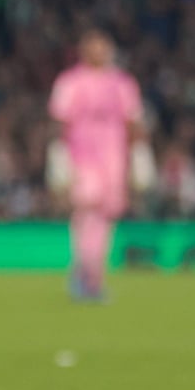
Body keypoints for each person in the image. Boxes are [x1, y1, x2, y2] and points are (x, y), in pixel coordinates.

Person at [48, 28, 148, 301]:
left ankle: (91, 272)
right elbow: (60, 121)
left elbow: (133, 121)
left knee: (106, 215)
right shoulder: (70, 82)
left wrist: (139, 155)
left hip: (114, 158)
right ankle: (86, 272)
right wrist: (58, 156)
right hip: (82, 156)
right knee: (86, 211)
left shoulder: (123, 83)